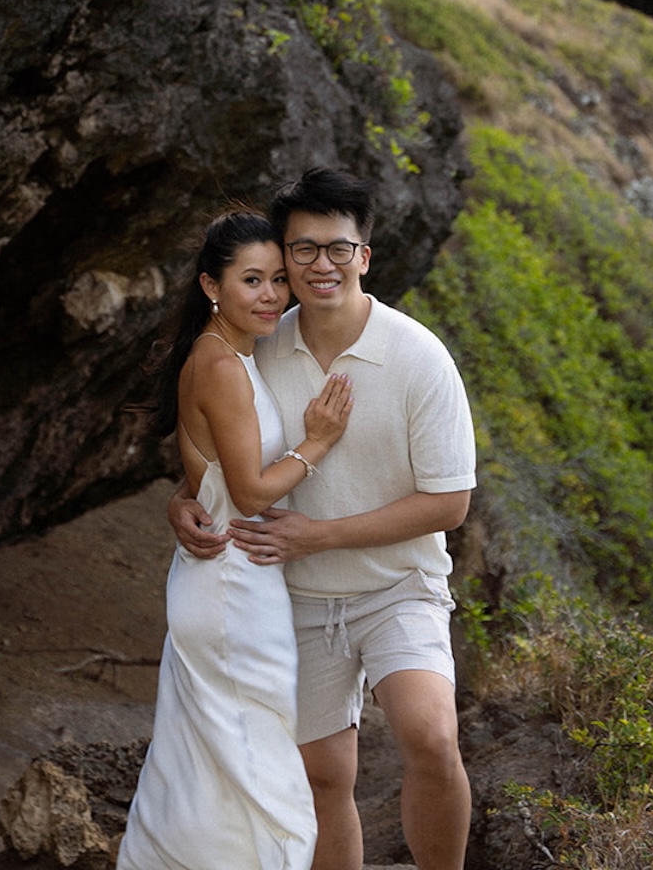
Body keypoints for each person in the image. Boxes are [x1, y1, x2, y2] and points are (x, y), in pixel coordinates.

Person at [170, 168, 476, 870]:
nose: (320, 265)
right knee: (322, 778)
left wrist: (321, 534)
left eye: (338, 248)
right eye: (302, 250)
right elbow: (215, 449)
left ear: (364, 256)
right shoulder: (257, 344)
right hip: (292, 600)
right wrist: (182, 503)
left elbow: (450, 503)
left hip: (399, 586)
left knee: (430, 736)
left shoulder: (418, 357)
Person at [118, 208, 354, 870]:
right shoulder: (220, 364)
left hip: (233, 579)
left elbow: (210, 477)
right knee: (257, 773)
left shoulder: (236, 356)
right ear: (210, 286)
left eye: (280, 279)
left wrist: (184, 498)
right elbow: (248, 491)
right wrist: (318, 442)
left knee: (213, 771)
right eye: (252, 280)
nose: (272, 295)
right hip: (231, 585)